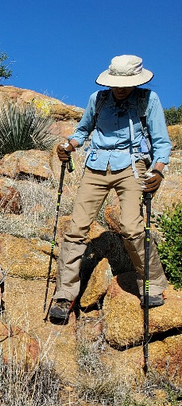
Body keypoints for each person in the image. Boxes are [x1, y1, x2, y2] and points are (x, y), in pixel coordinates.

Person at [48, 54, 171, 324]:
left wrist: (159, 169)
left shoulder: (147, 100)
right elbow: (83, 131)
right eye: (116, 82)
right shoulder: (98, 99)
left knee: (131, 226)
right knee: (77, 227)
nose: (120, 88)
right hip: (96, 165)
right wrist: (69, 145)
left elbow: (162, 142)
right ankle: (65, 294)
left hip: (131, 164)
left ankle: (152, 283)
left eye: (126, 83)